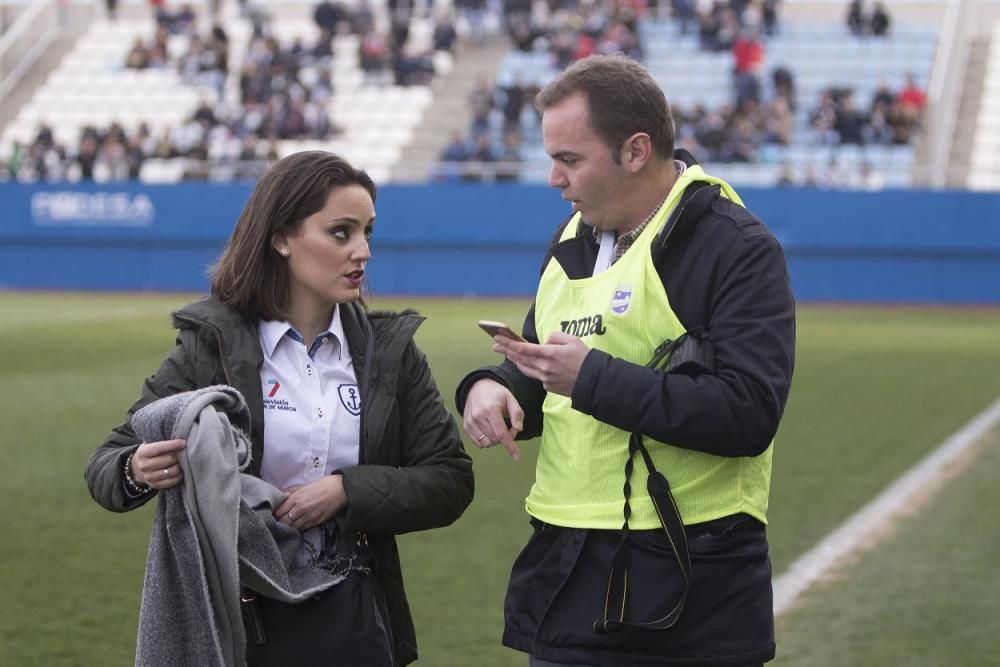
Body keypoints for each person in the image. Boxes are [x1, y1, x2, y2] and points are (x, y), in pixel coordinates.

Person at [455, 54, 795, 666]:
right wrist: (494, 388)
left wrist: (590, 379)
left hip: (693, 587)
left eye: (569, 160)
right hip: (568, 570)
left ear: (636, 151)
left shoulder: (738, 248)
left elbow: (747, 413)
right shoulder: (569, 242)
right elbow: (543, 366)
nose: (555, 180)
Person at [85, 150, 474, 665]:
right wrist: (136, 468)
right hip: (242, 618)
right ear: (282, 238)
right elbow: (108, 466)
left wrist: (345, 490)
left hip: (353, 615)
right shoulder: (211, 347)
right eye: (341, 233)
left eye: (367, 233)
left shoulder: (392, 353)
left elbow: (449, 480)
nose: (362, 252)